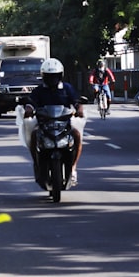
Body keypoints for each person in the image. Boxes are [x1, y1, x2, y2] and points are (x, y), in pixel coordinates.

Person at [24, 58, 84, 188]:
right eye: (49, 77)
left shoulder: (67, 88)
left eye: (55, 76)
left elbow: (76, 101)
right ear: (44, 76)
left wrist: (79, 108)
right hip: (44, 125)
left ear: (60, 75)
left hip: (64, 126)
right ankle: (36, 163)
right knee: (33, 135)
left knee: (77, 135)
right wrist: (29, 109)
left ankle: (73, 168)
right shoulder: (39, 90)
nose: (53, 80)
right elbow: (31, 102)